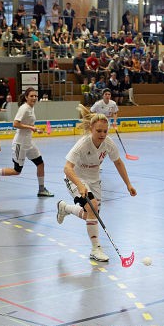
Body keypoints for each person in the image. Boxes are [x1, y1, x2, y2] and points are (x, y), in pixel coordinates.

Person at [56, 104, 137, 262]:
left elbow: (118, 162)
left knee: (91, 215)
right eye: (99, 131)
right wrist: (80, 185)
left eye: (105, 131)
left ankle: (65, 208)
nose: (102, 134)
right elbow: (67, 168)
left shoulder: (108, 143)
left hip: (94, 180)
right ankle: (96, 249)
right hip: (75, 178)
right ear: (91, 129)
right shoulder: (83, 144)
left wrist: (128, 184)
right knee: (92, 206)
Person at [0, 87, 54, 197]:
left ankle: (41, 190)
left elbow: (27, 124)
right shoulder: (24, 108)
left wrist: (35, 129)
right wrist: (31, 127)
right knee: (17, 171)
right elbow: (15, 124)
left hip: (29, 143)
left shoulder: (31, 108)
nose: (34, 98)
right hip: (20, 144)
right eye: (31, 96)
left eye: (35, 96)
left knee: (40, 163)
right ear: (26, 97)